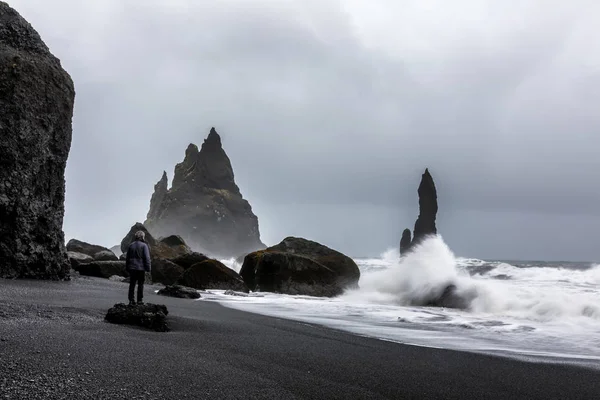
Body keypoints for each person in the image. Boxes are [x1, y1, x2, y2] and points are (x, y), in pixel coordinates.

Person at [125, 230, 151, 305]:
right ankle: (139, 300)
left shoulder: (131, 245)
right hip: (140, 268)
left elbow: (127, 258)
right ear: (142, 237)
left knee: (132, 284)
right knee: (140, 284)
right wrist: (148, 268)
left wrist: (127, 267)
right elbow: (147, 258)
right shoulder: (144, 246)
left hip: (132, 268)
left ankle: (131, 300)